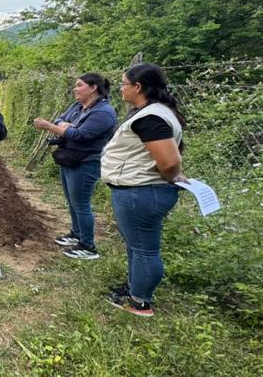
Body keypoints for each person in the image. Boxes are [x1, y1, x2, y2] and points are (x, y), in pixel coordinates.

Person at [101, 63, 186, 317]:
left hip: (141, 192)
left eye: (123, 83)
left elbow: (170, 162)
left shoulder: (151, 117)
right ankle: (134, 289)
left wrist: (171, 175)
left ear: (138, 87)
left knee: (145, 248)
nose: (120, 88)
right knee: (138, 245)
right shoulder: (153, 112)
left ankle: (140, 302)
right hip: (140, 190)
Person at [33, 73, 118, 260]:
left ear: (93, 87)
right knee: (71, 200)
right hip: (70, 158)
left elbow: (80, 135)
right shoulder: (78, 106)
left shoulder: (103, 112)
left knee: (81, 203)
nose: (75, 89)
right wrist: (64, 126)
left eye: (79, 85)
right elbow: (60, 120)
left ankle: (88, 246)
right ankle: (76, 233)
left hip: (86, 162)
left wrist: (52, 127)